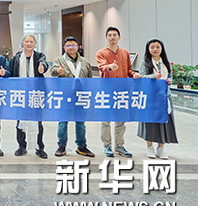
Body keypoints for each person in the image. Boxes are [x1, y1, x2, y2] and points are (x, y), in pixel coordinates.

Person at [96, 26, 140, 158]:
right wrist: (110, 67)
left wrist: (134, 74)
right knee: (106, 120)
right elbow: (102, 67)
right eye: (109, 35)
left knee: (121, 120)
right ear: (106, 38)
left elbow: (128, 70)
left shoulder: (125, 53)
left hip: (122, 91)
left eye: (114, 35)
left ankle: (119, 146)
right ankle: (107, 145)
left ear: (119, 37)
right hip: (107, 90)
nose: (112, 38)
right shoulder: (101, 53)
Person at [50, 36, 95, 158]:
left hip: (81, 96)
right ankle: (61, 145)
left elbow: (90, 79)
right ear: (64, 47)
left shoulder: (84, 62)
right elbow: (52, 71)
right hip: (65, 96)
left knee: (80, 123)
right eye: (68, 45)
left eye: (73, 45)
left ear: (78, 47)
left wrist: (90, 94)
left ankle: (81, 146)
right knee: (63, 122)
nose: (71, 47)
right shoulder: (60, 60)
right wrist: (57, 71)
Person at [9, 34, 49, 159]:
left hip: (36, 93)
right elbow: (11, 72)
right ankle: (22, 147)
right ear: (22, 43)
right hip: (20, 93)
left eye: (31, 41)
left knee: (38, 122)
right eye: (26, 41)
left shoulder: (39, 56)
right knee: (20, 121)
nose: (29, 44)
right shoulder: (16, 58)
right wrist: (4, 73)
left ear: (35, 44)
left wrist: (42, 68)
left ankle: (39, 147)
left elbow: (44, 64)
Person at [138, 39, 178, 159]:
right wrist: (153, 76)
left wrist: (170, 80)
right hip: (150, 96)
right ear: (148, 49)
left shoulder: (165, 62)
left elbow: (170, 75)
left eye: (157, 47)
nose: (155, 49)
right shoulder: (144, 62)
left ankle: (161, 148)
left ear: (161, 48)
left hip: (164, 96)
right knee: (149, 122)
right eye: (152, 47)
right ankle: (149, 147)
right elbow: (141, 77)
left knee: (164, 121)